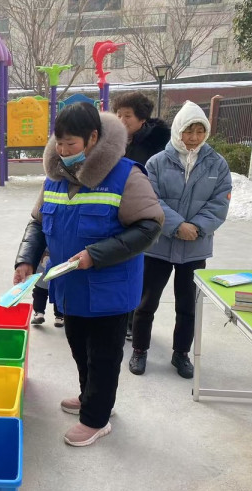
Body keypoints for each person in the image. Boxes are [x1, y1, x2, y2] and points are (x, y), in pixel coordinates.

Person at [14, 102, 164, 447]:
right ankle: (90, 396)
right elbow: (37, 223)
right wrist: (26, 259)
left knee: (104, 355)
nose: (64, 151)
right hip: (71, 285)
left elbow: (149, 227)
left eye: (72, 144)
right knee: (79, 347)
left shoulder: (125, 175)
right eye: (59, 144)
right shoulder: (56, 177)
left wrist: (96, 255)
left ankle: (97, 418)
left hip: (109, 288)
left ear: (93, 138)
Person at [129, 101, 232, 378]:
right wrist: (177, 226)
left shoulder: (217, 164)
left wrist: (196, 227)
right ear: (177, 131)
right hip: (158, 245)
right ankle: (139, 350)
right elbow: (150, 200)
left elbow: (220, 203)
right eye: (188, 131)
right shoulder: (157, 163)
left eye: (200, 131)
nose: (194, 137)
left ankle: (181, 354)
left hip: (195, 247)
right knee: (145, 302)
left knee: (188, 306)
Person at [113, 91, 171, 340]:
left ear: (142, 119)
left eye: (127, 115)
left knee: (139, 271)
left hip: (143, 212)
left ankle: (132, 321)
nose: (121, 120)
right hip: (117, 210)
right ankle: (120, 317)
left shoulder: (156, 146)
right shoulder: (113, 139)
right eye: (118, 114)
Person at [31, 252, 64, 327]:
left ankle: (40, 313)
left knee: (40, 293)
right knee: (57, 294)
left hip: (51, 271)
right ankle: (59, 317)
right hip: (48, 272)